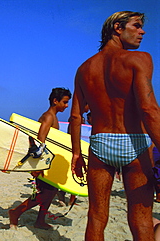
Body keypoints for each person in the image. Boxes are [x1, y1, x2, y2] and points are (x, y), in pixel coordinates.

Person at [70, 11, 160, 240]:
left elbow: (76, 117)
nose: (142, 32)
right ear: (118, 28)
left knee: (97, 217)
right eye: (137, 26)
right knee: (141, 219)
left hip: (100, 143)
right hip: (135, 143)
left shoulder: (84, 69)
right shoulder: (140, 59)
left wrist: (76, 154)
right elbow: (149, 110)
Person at [9, 87, 71, 230]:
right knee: (45, 193)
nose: (67, 105)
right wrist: (39, 165)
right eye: (65, 102)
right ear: (55, 101)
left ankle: (40, 221)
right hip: (43, 162)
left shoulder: (53, 116)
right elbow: (40, 140)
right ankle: (16, 212)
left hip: (48, 162)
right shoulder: (49, 116)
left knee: (50, 193)